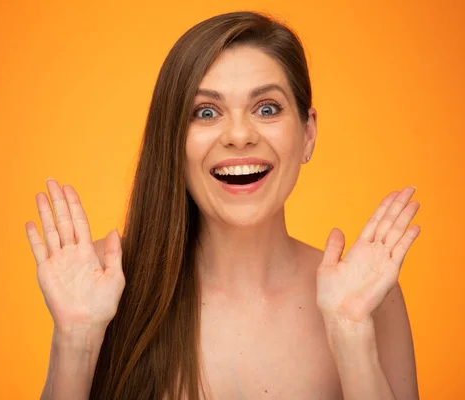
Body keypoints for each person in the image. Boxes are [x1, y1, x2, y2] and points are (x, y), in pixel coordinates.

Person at [25, 10, 421, 400]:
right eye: (206, 112)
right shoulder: (102, 283)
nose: (238, 134)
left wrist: (350, 333)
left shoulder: (370, 297)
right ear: (173, 139)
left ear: (308, 133)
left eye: (266, 108)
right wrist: (75, 338)